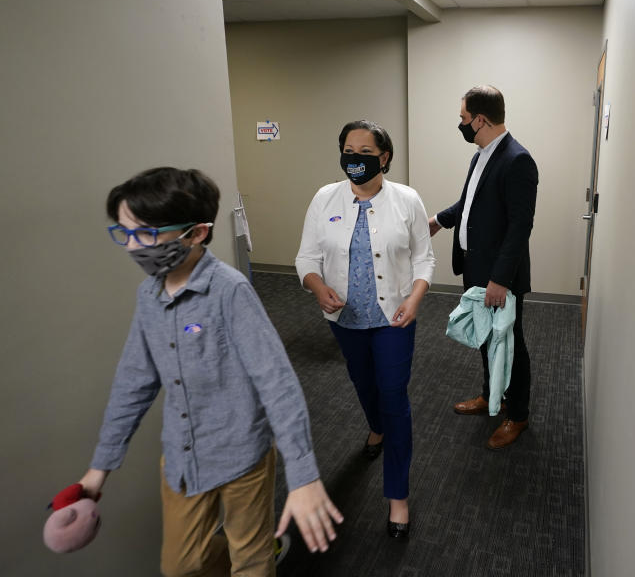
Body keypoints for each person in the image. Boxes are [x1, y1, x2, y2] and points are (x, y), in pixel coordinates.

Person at [79, 167, 343, 577]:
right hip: (183, 458)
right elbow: (134, 382)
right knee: (182, 566)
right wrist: (100, 468)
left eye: (146, 234)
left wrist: (304, 475)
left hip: (243, 458)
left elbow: (278, 384)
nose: (133, 247)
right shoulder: (148, 295)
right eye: (125, 233)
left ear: (197, 233)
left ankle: (262, 547)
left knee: (250, 562)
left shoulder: (229, 290)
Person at [296, 120, 435, 539]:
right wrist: (317, 287)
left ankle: (397, 497)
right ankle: (374, 425)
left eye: (364, 150)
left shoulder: (406, 200)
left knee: (393, 397)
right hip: (346, 321)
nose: (354, 157)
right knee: (364, 384)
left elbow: (424, 259)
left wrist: (414, 298)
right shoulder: (325, 198)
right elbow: (306, 257)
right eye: (347, 149)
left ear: (384, 157)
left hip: (394, 318)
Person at [429, 85, 538, 450]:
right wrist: (439, 221)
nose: (460, 124)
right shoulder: (482, 155)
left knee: (510, 343)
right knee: (485, 337)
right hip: (475, 268)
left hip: (497, 279)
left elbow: (520, 226)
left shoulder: (517, 160)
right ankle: (491, 395)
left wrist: (499, 280)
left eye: (463, 118)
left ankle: (517, 415)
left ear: (480, 119)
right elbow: (470, 203)